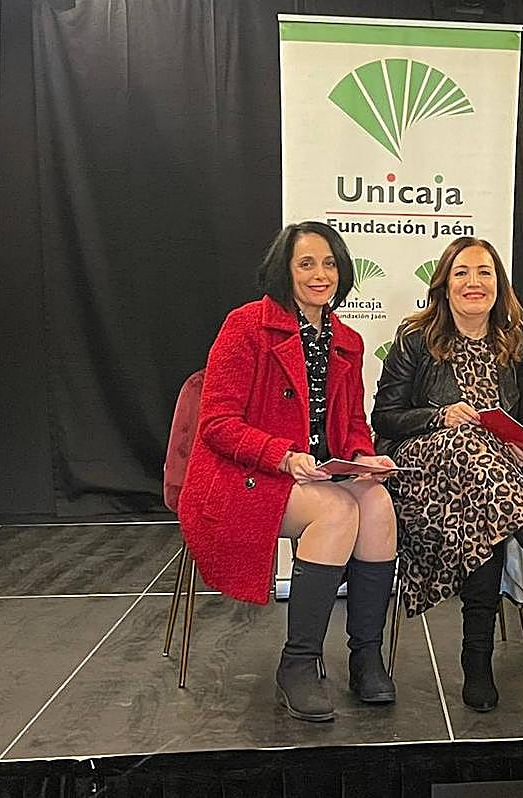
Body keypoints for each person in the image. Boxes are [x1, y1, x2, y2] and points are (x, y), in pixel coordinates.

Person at [372, 236, 523, 713]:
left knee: (484, 506)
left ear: (498, 285)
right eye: (462, 272)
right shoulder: (415, 339)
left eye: (484, 273)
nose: (473, 282)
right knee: (465, 447)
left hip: (490, 481)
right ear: (444, 284)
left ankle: (477, 661)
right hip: (422, 470)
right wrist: (439, 417)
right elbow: (384, 417)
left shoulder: (514, 342)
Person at [178, 221, 399, 723]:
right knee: (339, 511)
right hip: (245, 475)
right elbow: (216, 424)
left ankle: (366, 655)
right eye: (306, 263)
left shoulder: (348, 338)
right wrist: (280, 454)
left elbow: (353, 423)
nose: (320, 274)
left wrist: (362, 457)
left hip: (315, 473)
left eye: (329, 263)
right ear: (285, 270)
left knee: (378, 504)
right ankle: (299, 663)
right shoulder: (246, 325)